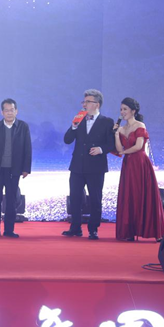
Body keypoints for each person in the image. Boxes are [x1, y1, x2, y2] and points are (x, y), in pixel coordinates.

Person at [62, 89, 115, 240]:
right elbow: (67, 140)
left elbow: (111, 144)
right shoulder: (79, 120)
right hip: (77, 166)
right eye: (83, 102)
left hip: (96, 167)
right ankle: (75, 227)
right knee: (75, 197)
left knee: (95, 199)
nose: (84, 105)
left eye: (87, 102)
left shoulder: (107, 122)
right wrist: (74, 126)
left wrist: (100, 149)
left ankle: (93, 229)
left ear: (96, 104)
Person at [113, 97, 164, 241]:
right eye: (121, 109)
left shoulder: (140, 125)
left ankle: (154, 232)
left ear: (133, 111)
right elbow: (119, 149)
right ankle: (129, 232)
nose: (122, 112)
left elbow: (138, 146)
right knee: (129, 195)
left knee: (144, 194)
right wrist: (116, 134)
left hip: (141, 163)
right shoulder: (122, 129)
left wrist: (124, 152)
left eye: (125, 109)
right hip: (128, 165)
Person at [0, 98, 32, 238]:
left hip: (14, 169)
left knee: (11, 200)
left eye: (12, 110)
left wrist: (26, 168)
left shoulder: (23, 127)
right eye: (6, 110)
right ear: (2, 112)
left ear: (16, 111)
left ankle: (9, 230)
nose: (9, 113)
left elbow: (27, 148)